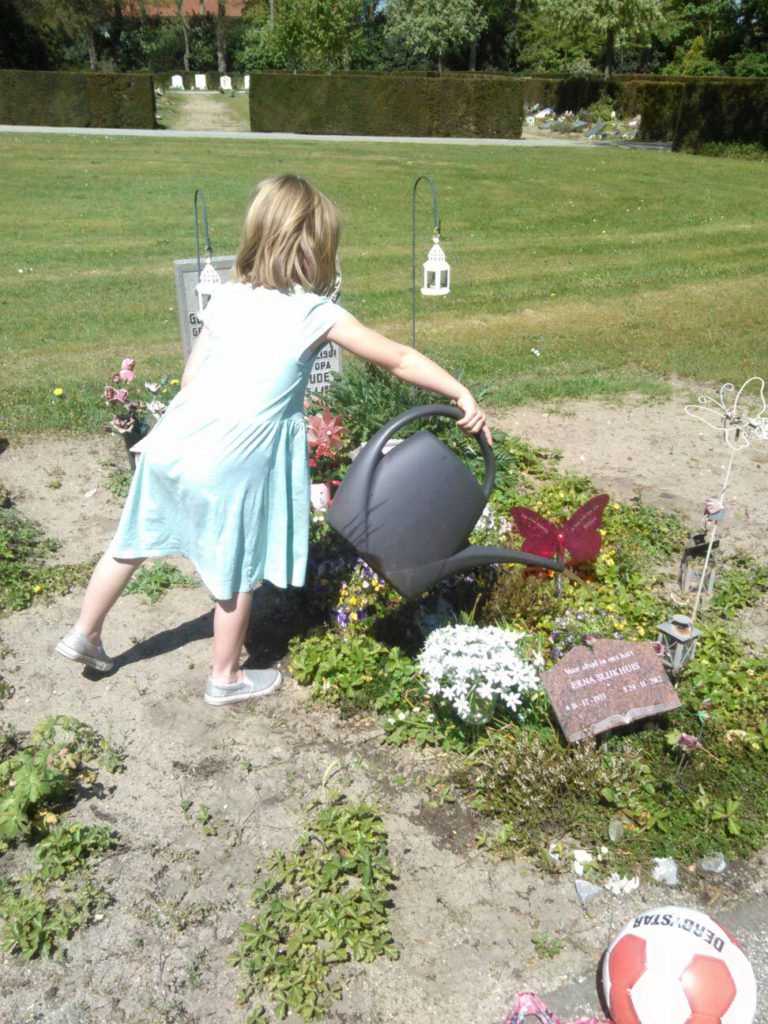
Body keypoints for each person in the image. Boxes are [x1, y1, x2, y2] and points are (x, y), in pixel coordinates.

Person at [55, 174, 490, 707]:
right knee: (236, 569)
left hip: (173, 444)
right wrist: (459, 391)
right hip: (231, 460)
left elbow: (193, 377)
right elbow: (398, 358)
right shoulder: (315, 314)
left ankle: (85, 632)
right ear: (314, 250)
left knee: (129, 544)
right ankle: (226, 678)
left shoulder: (229, 297)